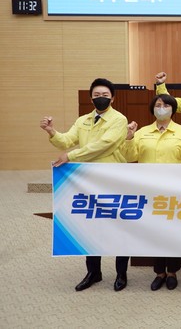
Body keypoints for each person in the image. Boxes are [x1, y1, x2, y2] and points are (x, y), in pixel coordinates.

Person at [40, 78, 129, 292]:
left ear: (113, 98)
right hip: (86, 180)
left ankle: (121, 273)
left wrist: (71, 155)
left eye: (105, 95)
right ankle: (94, 272)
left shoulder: (119, 119)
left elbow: (104, 145)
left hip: (112, 179)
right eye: (97, 95)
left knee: (119, 227)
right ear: (91, 98)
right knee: (90, 226)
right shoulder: (83, 120)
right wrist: (52, 131)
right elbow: (67, 140)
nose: (101, 98)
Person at [121, 94, 181, 291]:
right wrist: (129, 137)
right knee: (155, 231)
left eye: (166, 105)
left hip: (174, 190)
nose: (162, 108)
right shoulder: (142, 132)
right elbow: (130, 156)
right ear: (152, 109)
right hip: (149, 190)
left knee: (173, 232)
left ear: (173, 110)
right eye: (158, 105)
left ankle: (172, 272)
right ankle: (159, 272)